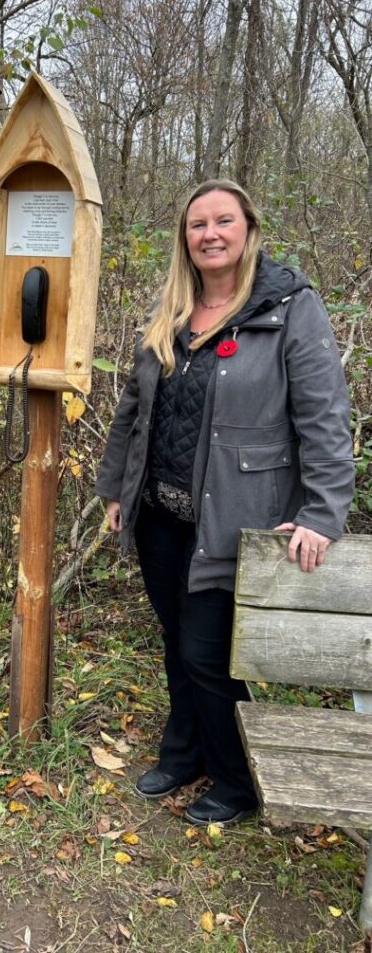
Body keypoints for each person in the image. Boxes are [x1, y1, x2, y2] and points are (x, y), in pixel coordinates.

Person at [95, 179, 355, 825]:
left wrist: (324, 511)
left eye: (223, 221)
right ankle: (185, 753)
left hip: (236, 514)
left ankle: (237, 780)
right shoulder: (173, 311)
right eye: (196, 224)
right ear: (184, 239)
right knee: (175, 636)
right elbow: (134, 409)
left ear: (247, 229)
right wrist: (114, 488)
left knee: (206, 651)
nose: (209, 234)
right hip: (161, 511)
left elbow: (324, 416)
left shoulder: (290, 307)